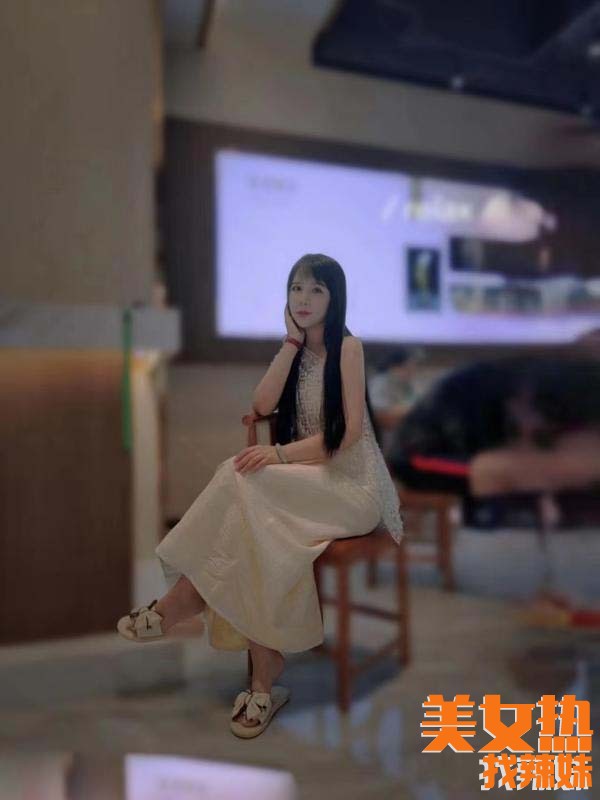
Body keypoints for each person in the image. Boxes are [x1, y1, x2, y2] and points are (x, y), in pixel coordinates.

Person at [116, 253, 403, 738]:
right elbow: (261, 403)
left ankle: (184, 600)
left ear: (335, 298)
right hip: (309, 484)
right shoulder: (296, 349)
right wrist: (290, 343)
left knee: (242, 477)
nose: (303, 299)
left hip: (352, 489)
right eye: (296, 289)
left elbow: (348, 435)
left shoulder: (349, 348)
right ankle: (263, 676)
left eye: (316, 290)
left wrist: (279, 455)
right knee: (252, 518)